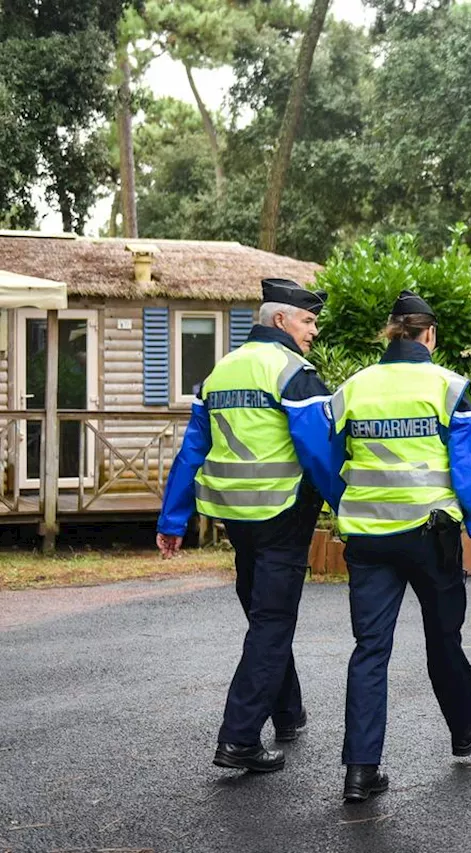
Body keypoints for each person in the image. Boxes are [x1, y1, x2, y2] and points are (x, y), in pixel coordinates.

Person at [157, 278, 339, 774]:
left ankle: (287, 711)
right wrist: (347, 506)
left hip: (234, 517)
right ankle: (238, 738)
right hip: (282, 513)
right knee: (272, 622)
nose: (313, 331)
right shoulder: (291, 371)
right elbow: (318, 452)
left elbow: (192, 449)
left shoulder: (219, 371)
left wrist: (173, 518)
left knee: (265, 618)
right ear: (280, 320)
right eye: (308, 320)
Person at [329, 290, 471, 802]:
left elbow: (325, 455)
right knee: (443, 637)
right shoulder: (448, 387)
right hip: (431, 536)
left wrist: (349, 500)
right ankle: (467, 722)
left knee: (370, 649)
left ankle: (361, 770)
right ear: (429, 335)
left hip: (368, 536)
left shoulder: (352, 389)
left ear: (391, 332)